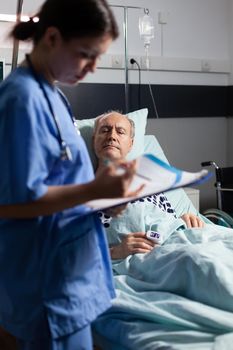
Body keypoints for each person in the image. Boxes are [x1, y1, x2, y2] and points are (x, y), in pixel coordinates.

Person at [0, 1, 143, 349]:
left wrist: (106, 201)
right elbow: (13, 201)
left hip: (74, 278)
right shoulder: (21, 100)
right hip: (48, 286)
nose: (92, 68)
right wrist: (95, 190)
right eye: (86, 54)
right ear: (52, 37)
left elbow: (65, 185)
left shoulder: (54, 96)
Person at [93, 111, 205, 259]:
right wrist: (115, 252)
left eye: (120, 132)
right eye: (105, 130)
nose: (112, 136)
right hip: (148, 259)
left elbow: (167, 220)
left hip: (180, 241)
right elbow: (64, 251)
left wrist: (183, 220)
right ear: (94, 140)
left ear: (131, 144)